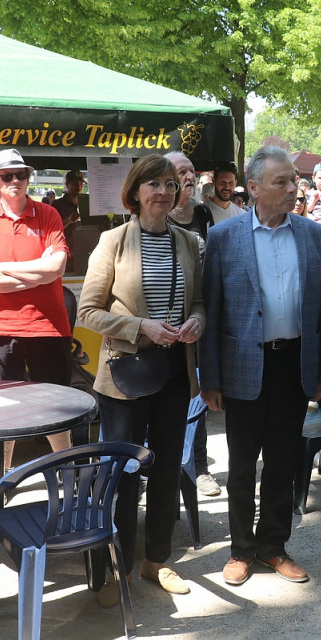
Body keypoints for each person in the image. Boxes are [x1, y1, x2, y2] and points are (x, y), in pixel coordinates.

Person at [200, 146, 321, 588]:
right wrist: (210, 378)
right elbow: (212, 310)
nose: (294, 188)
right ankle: (241, 550)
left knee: (283, 463)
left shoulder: (313, 236)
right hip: (243, 366)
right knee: (241, 467)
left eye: (294, 180)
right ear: (254, 188)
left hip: (294, 364)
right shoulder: (224, 237)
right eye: (282, 182)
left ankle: (273, 546)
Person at [78, 154, 204, 596]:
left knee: (167, 469)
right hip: (125, 374)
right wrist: (140, 327)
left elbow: (199, 300)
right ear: (135, 191)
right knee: (123, 473)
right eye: (154, 184)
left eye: (170, 184)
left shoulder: (188, 241)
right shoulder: (113, 241)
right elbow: (88, 312)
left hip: (174, 371)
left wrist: (197, 320)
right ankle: (118, 569)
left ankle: (157, 561)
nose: (164, 192)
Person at [0, 148, 74, 471]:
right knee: (2, 411)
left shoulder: (49, 215)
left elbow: (55, 268)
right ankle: (1, 478)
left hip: (48, 327)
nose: (15, 180)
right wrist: (35, 273)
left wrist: (2, 270)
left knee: (56, 408)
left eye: (20, 174)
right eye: (7, 175)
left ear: (28, 178)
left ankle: (65, 473)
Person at [164, 150, 220, 498]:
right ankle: (157, 468)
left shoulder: (202, 212)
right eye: (181, 172)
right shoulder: (154, 214)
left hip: (195, 320)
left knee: (196, 397)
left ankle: (198, 468)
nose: (189, 177)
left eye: (191, 172)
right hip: (161, 324)